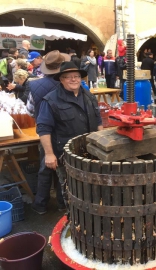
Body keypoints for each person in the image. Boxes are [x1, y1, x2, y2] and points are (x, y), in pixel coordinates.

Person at [34, 61, 103, 214]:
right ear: (61, 79)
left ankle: (77, 209)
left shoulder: (89, 97)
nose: (73, 79)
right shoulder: (51, 100)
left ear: (81, 78)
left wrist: (100, 143)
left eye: (76, 76)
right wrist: (49, 154)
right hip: (63, 151)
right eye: (68, 77)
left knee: (83, 183)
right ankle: (66, 211)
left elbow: (98, 121)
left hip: (86, 150)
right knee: (66, 183)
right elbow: (43, 129)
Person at [27, 50, 71, 215]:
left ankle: (40, 205)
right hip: (65, 131)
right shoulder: (68, 83)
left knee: (45, 168)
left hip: (44, 131)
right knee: (64, 167)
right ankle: (62, 203)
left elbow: (30, 110)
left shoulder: (33, 84)